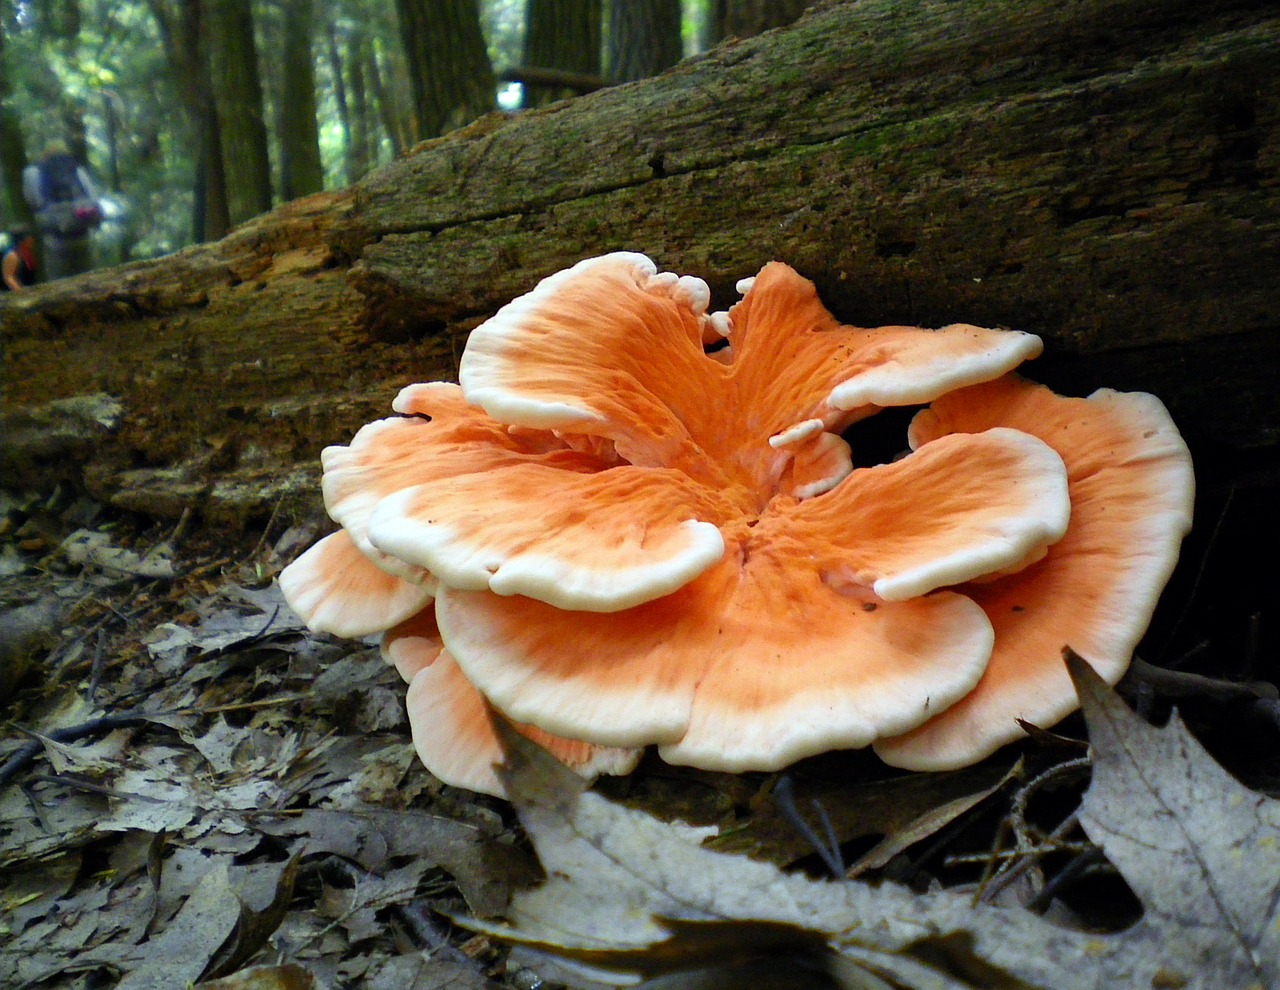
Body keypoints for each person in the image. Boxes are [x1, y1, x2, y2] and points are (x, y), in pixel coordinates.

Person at [22, 140, 102, 280]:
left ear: (44, 155)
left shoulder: (32, 172)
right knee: (89, 280)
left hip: (55, 239)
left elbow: (34, 201)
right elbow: (93, 198)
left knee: (60, 283)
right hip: (83, 235)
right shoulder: (77, 170)